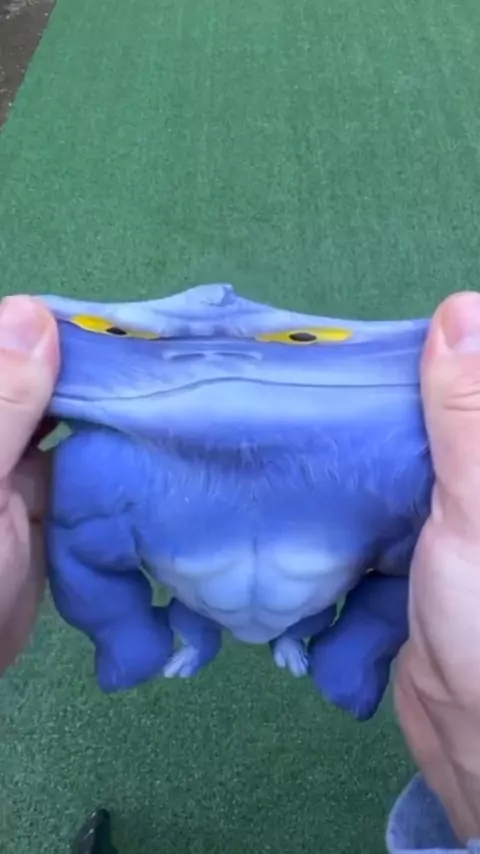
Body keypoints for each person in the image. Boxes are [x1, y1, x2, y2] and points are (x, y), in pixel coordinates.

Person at [1, 292, 480, 853]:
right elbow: (88, 561)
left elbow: (412, 569)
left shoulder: (394, 467)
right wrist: (123, 633)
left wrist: (361, 646)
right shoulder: (102, 467)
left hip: (307, 606)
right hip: (199, 607)